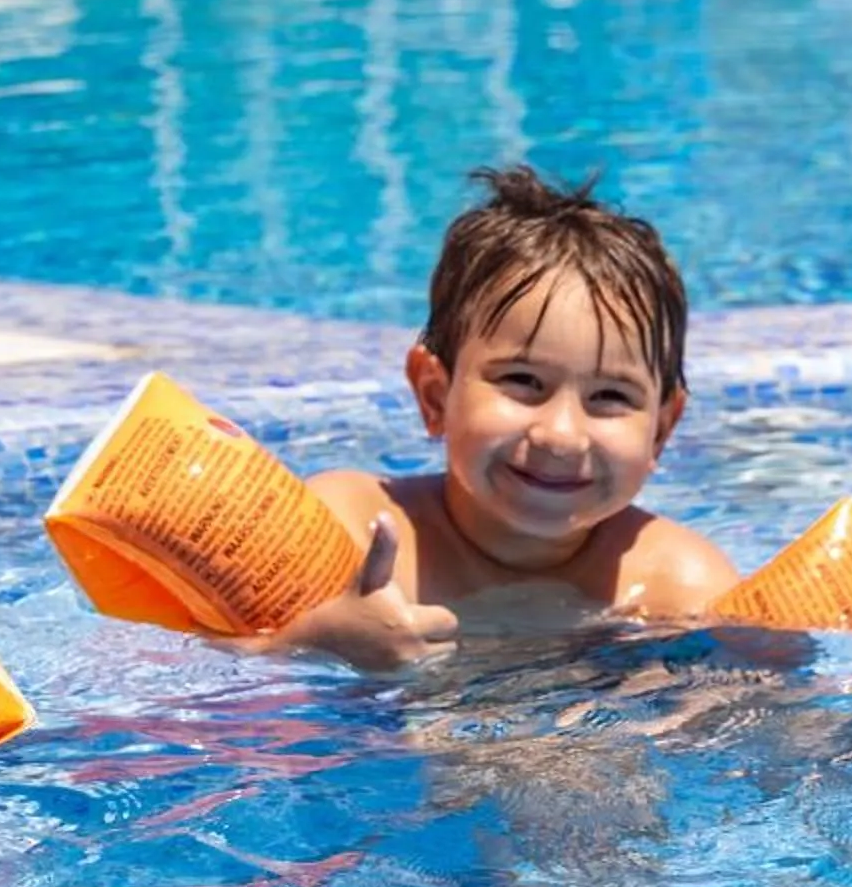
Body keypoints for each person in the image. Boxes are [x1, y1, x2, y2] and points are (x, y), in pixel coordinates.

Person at [266, 166, 738, 669]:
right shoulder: (349, 528)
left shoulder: (680, 584)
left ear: (661, 430)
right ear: (434, 394)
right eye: (523, 381)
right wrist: (317, 639)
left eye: (609, 396)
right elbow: (223, 653)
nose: (560, 436)